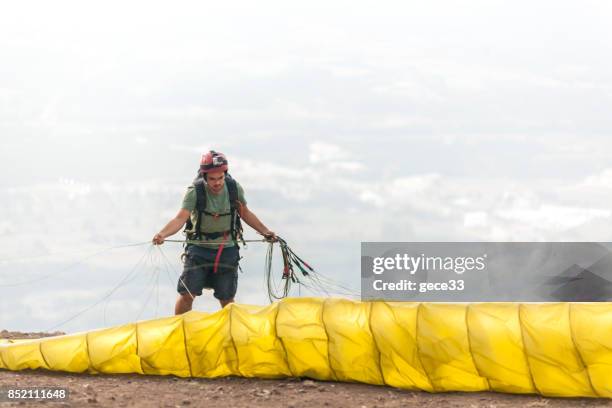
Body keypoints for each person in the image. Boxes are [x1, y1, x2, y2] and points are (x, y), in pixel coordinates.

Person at [152, 150, 276, 314]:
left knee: (227, 298)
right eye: (212, 179)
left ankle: (230, 336)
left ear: (225, 174)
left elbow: (245, 213)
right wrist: (162, 234)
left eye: (220, 178)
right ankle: (179, 331)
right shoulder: (195, 192)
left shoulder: (233, 189)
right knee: (187, 294)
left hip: (227, 249)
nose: (217, 183)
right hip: (198, 249)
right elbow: (180, 218)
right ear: (204, 177)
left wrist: (265, 231)